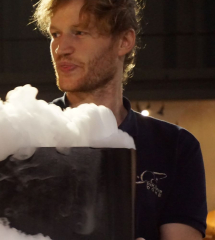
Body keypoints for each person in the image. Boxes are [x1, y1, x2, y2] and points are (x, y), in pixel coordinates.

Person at [32, 0, 208, 239]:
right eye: (55, 34)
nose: (61, 48)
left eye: (79, 32)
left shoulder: (175, 146)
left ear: (124, 41)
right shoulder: (27, 134)